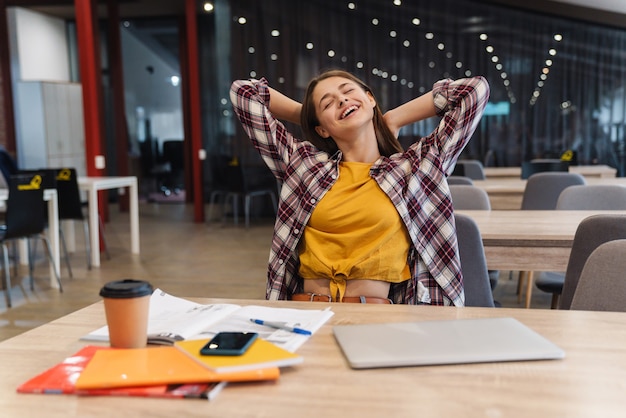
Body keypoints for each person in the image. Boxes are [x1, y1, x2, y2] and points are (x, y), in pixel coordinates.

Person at [230, 70, 489, 305]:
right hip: (307, 312)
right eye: (328, 103)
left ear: (370, 98)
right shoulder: (305, 166)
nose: (342, 101)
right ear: (321, 130)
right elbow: (244, 92)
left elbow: (473, 91)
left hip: (376, 318)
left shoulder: (415, 168)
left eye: (348, 91)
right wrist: (311, 117)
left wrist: (394, 118)